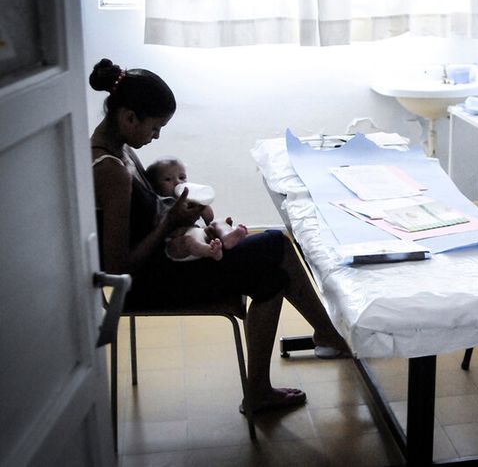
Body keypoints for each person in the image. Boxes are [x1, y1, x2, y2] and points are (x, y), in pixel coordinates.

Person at [89, 58, 348, 412]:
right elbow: (118, 265)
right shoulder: (112, 170)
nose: (157, 136)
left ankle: (272, 380)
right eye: (155, 127)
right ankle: (324, 336)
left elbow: (146, 216)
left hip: (170, 256)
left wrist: (184, 219)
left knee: (271, 275)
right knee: (275, 245)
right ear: (129, 117)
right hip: (152, 280)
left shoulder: (119, 149)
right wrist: (170, 224)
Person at [145, 157, 247, 262]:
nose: (178, 182)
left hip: (201, 233)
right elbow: (159, 226)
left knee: (218, 222)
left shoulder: (190, 198)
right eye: (168, 179)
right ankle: (209, 250)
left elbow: (209, 218)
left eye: (182, 177)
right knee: (188, 241)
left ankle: (227, 236)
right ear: (154, 186)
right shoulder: (161, 203)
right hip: (180, 243)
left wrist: (202, 204)